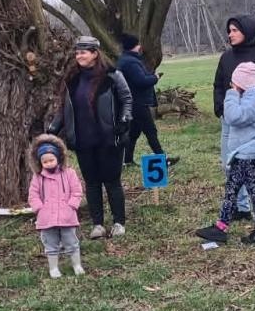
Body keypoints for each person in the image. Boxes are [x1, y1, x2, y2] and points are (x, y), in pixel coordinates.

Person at [48, 36, 132, 239]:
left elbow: (127, 99)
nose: (79, 56)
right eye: (77, 53)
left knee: (112, 181)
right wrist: (54, 127)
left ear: (95, 53)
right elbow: (64, 108)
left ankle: (119, 222)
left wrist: (124, 120)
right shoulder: (72, 80)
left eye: (83, 52)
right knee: (92, 183)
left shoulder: (112, 75)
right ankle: (98, 224)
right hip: (83, 140)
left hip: (109, 138)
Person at [196, 61, 255, 245]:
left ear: (239, 82)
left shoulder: (253, 101)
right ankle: (222, 226)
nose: (231, 85)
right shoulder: (252, 98)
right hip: (246, 153)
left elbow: (233, 117)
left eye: (233, 82)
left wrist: (231, 95)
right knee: (234, 190)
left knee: (250, 191)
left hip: (248, 154)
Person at [212, 15, 255, 217]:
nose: (230, 34)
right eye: (229, 30)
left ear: (247, 31)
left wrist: (249, 108)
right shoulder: (226, 58)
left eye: (235, 30)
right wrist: (221, 108)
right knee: (231, 164)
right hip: (229, 120)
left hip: (253, 124)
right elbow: (219, 84)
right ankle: (241, 207)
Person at [27, 133, 85, 278]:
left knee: (71, 241)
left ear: (58, 158)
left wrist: (72, 205)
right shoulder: (38, 177)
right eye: (45, 162)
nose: (49, 164)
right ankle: (53, 268)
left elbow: (77, 191)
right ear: (40, 162)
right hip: (46, 218)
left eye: (51, 160)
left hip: (67, 216)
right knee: (50, 243)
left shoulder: (69, 173)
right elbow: (33, 195)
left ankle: (77, 265)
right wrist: (39, 208)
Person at [116, 33, 173, 167]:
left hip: (132, 103)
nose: (140, 46)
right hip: (138, 103)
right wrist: (155, 78)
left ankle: (127, 160)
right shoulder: (131, 62)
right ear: (135, 46)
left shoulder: (125, 60)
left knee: (134, 133)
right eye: (138, 44)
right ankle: (163, 159)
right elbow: (141, 81)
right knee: (151, 131)